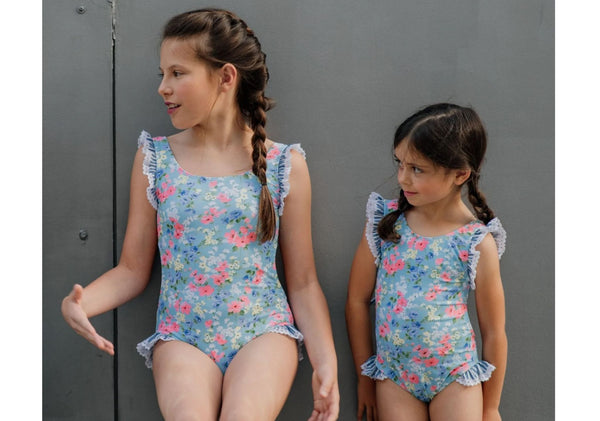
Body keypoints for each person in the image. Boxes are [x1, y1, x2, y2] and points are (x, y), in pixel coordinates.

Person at [61, 8, 339, 421]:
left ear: (226, 77)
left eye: (177, 73)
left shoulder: (284, 165)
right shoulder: (155, 159)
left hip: (263, 332)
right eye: (162, 74)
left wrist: (326, 363)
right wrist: (82, 304)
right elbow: (132, 269)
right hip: (182, 335)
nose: (163, 87)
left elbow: (303, 282)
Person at [345, 103, 507, 421]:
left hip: (455, 378)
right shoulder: (385, 224)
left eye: (417, 169)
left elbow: (494, 332)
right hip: (395, 378)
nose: (403, 178)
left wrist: (490, 407)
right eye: (400, 164)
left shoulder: (475, 242)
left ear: (460, 174)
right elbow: (356, 300)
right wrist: (365, 379)